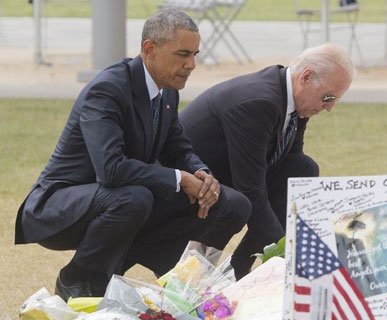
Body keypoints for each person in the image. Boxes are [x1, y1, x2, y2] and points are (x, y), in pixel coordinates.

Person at [14, 8, 251, 300]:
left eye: (195, 55)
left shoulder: (167, 90)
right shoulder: (108, 89)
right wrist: (180, 179)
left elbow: (178, 148)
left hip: (119, 200)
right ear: (149, 49)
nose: (191, 64)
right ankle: (77, 278)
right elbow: (110, 169)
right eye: (182, 54)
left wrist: (202, 174)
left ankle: (184, 282)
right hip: (61, 206)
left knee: (233, 204)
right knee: (135, 198)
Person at [180, 43, 355, 279]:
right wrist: (285, 252)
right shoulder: (259, 101)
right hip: (191, 182)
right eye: (328, 97)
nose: (329, 107)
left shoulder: (294, 98)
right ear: (306, 77)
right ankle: (208, 275)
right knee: (242, 203)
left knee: (303, 169)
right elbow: (250, 188)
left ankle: (239, 265)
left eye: (335, 100)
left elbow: (290, 165)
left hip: (231, 177)